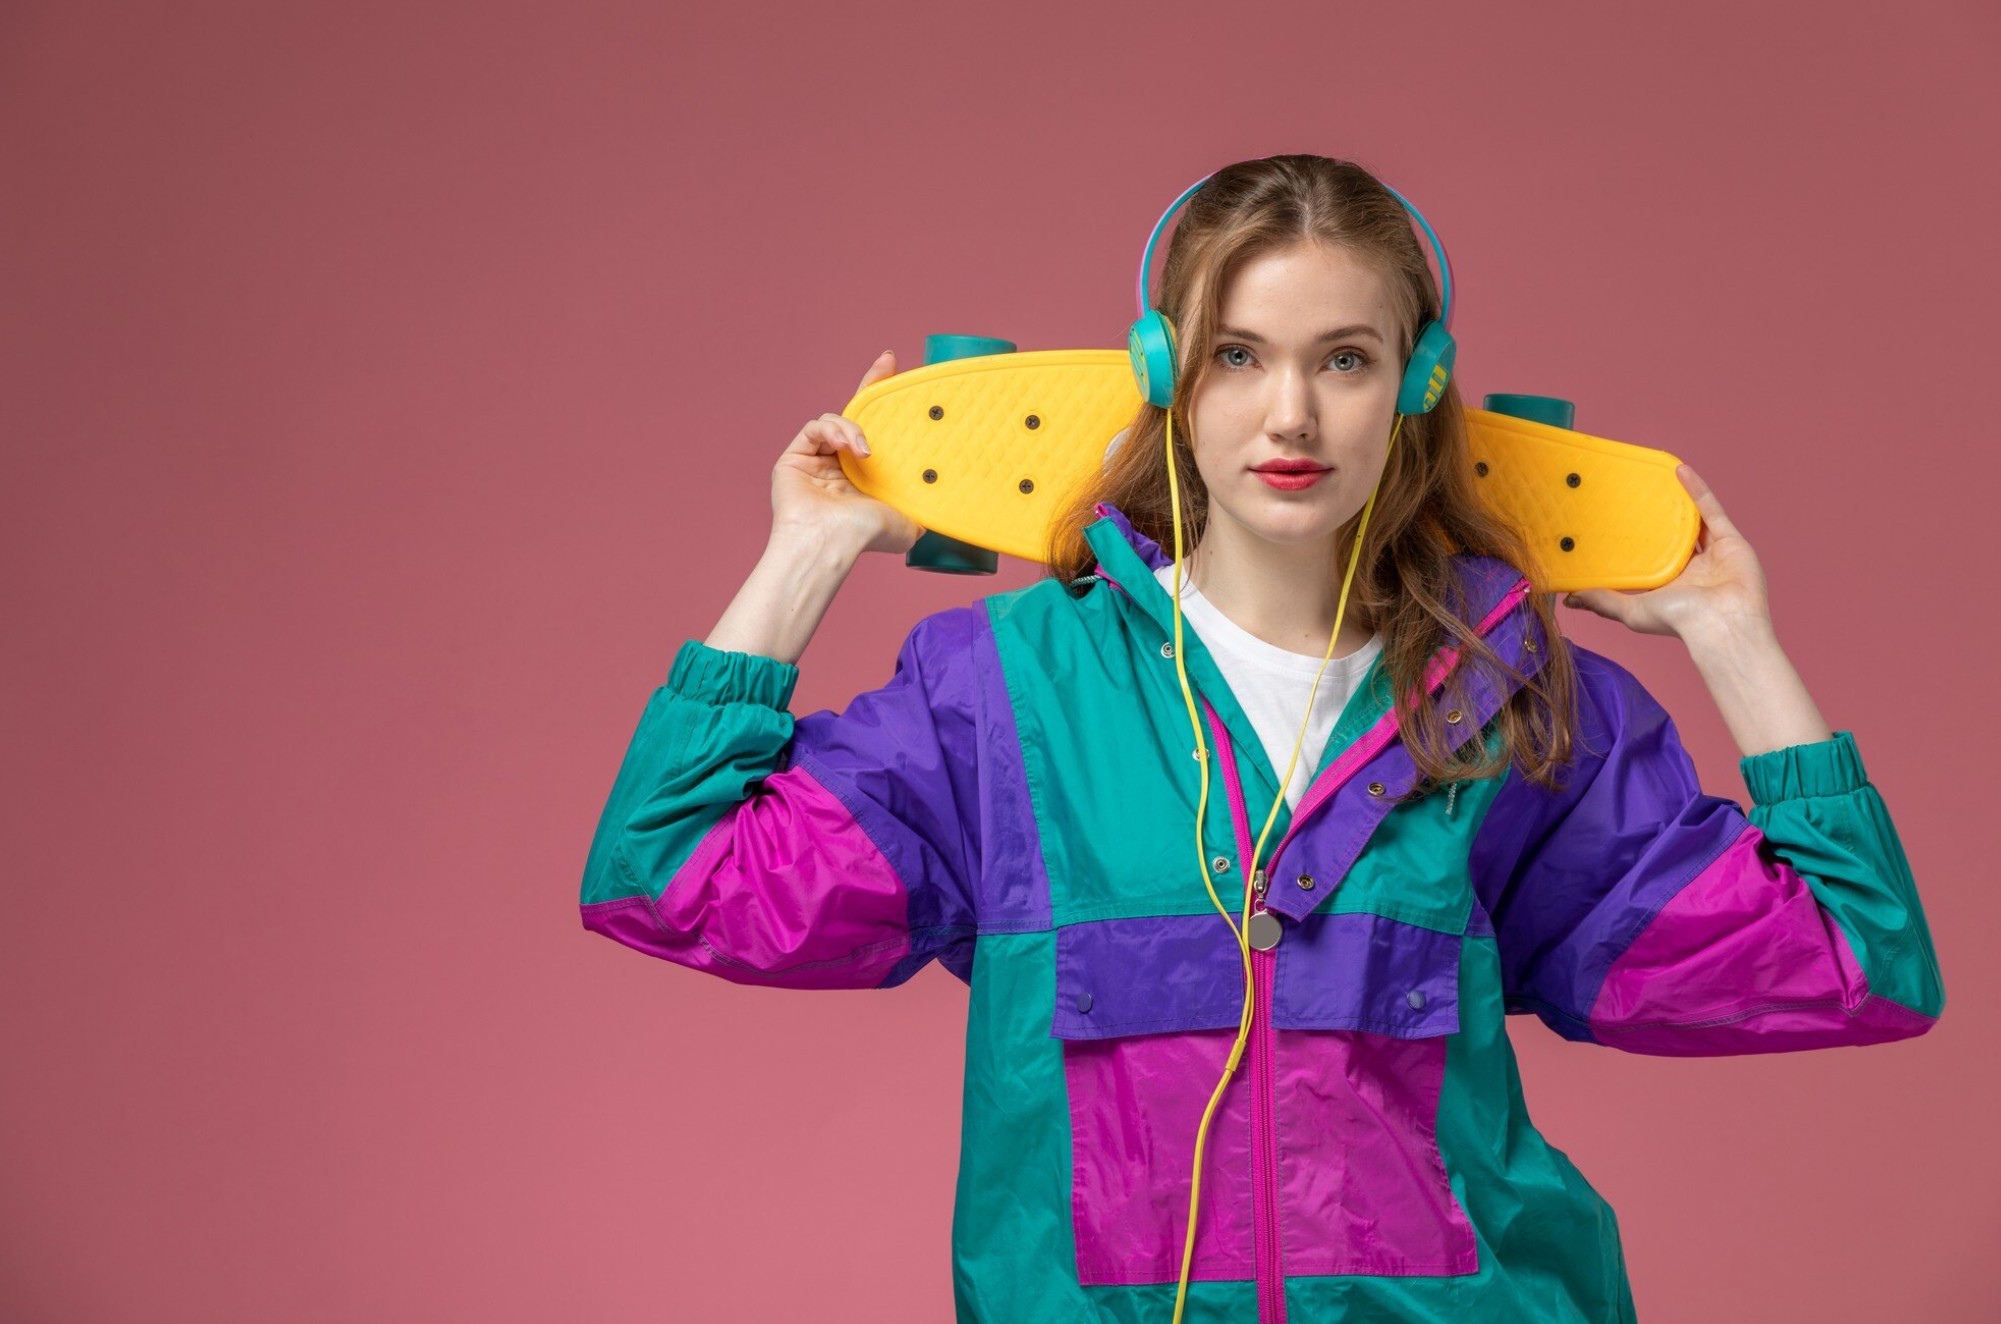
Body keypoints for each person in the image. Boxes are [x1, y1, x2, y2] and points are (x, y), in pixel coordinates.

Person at [578, 155, 1944, 1323]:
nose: (1291, 414)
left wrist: (1730, 633)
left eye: (1343, 360)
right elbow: (670, 874)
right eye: (1237, 356)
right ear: (1165, 372)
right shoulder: (1001, 694)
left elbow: (1852, 962)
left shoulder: (1516, 700)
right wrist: (806, 552)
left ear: (1414, 383)